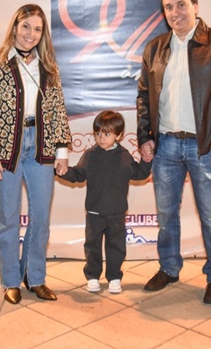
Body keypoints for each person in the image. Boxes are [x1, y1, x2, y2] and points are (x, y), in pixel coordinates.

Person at [136, 0, 211, 305]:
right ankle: (169, 268)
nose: (175, 12)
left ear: (195, 6)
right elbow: (144, 96)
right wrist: (146, 137)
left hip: (203, 148)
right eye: (168, 7)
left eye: (181, 4)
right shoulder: (155, 48)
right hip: (166, 147)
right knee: (166, 214)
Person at [0, 4, 72, 305]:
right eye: (26, 26)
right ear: (15, 27)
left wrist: (62, 150)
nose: (31, 34)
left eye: (37, 29)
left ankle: (35, 277)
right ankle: (10, 281)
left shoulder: (48, 67)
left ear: (43, 34)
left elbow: (57, 109)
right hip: (6, 150)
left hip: (40, 147)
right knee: (8, 219)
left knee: (41, 218)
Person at [57, 110, 151, 294]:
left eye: (107, 134)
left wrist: (147, 161)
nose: (101, 138)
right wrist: (63, 171)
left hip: (117, 213)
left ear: (119, 135)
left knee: (116, 247)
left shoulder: (124, 156)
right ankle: (92, 276)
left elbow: (139, 174)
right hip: (94, 213)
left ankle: (114, 277)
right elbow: (78, 174)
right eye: (98, 133)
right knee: (92, 246)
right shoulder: (90, 155)